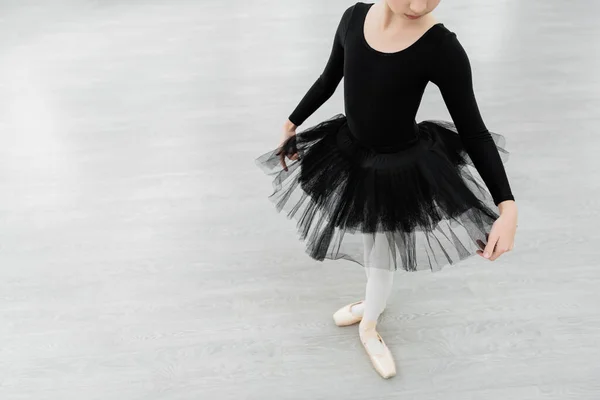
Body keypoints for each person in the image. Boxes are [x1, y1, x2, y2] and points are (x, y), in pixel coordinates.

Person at [255, 0, 519, 379]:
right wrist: (292, 120)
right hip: (350, 151)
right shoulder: (353, 18)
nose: (419, 5)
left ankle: (369, 325)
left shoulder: (441, 48)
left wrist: (506, 206)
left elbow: (474, 131)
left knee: (380, 253)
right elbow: (330, 78)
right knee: (369, 242)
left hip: (398, 167)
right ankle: (370, 304)